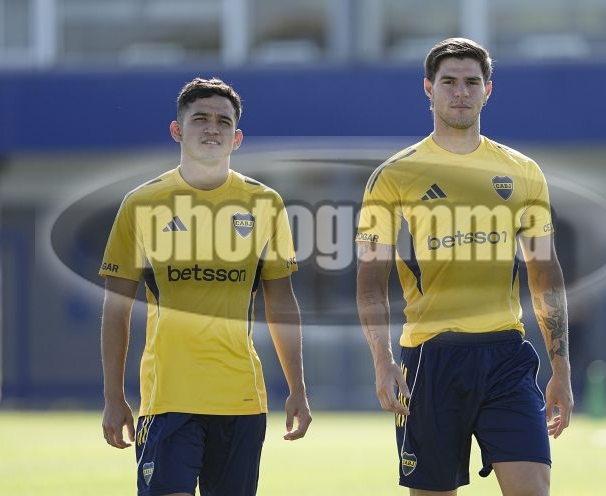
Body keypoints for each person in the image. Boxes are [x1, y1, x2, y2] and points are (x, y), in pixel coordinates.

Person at [355, 38, 573, 495]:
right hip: (430, 358)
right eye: (449, 82)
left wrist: (562, 367)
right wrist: (382, 361)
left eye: (472, 82)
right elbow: (370, 284)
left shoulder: (522, 170)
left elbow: (544, 271)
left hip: (506, 357)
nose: (460, 92)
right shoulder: (393, 175)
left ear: (487, 90)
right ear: (428, 88)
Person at [100, 77, 311, 496]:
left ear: (237, 137)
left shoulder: (265, 204)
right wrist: (113, 395)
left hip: (241, 400)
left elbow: (282, 304)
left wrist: (298, 388)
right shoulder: (141, 204)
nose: (212, 128)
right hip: (168, 399)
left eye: (223, 121)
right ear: (177, 130)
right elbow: (116, 309)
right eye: (200, 119)